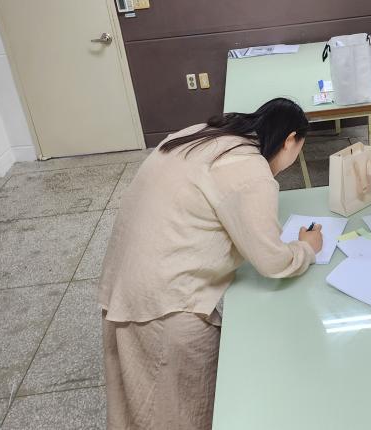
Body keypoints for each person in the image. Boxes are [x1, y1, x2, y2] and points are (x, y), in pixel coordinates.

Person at [97, 98, 323, 429]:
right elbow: (273, 261)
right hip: (167, 306)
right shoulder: (250, 170)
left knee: (141, 408)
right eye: (297, 151)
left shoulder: (206, 133)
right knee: (179, 413)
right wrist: (306, 247)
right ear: (290, 140)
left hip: (128, 284)